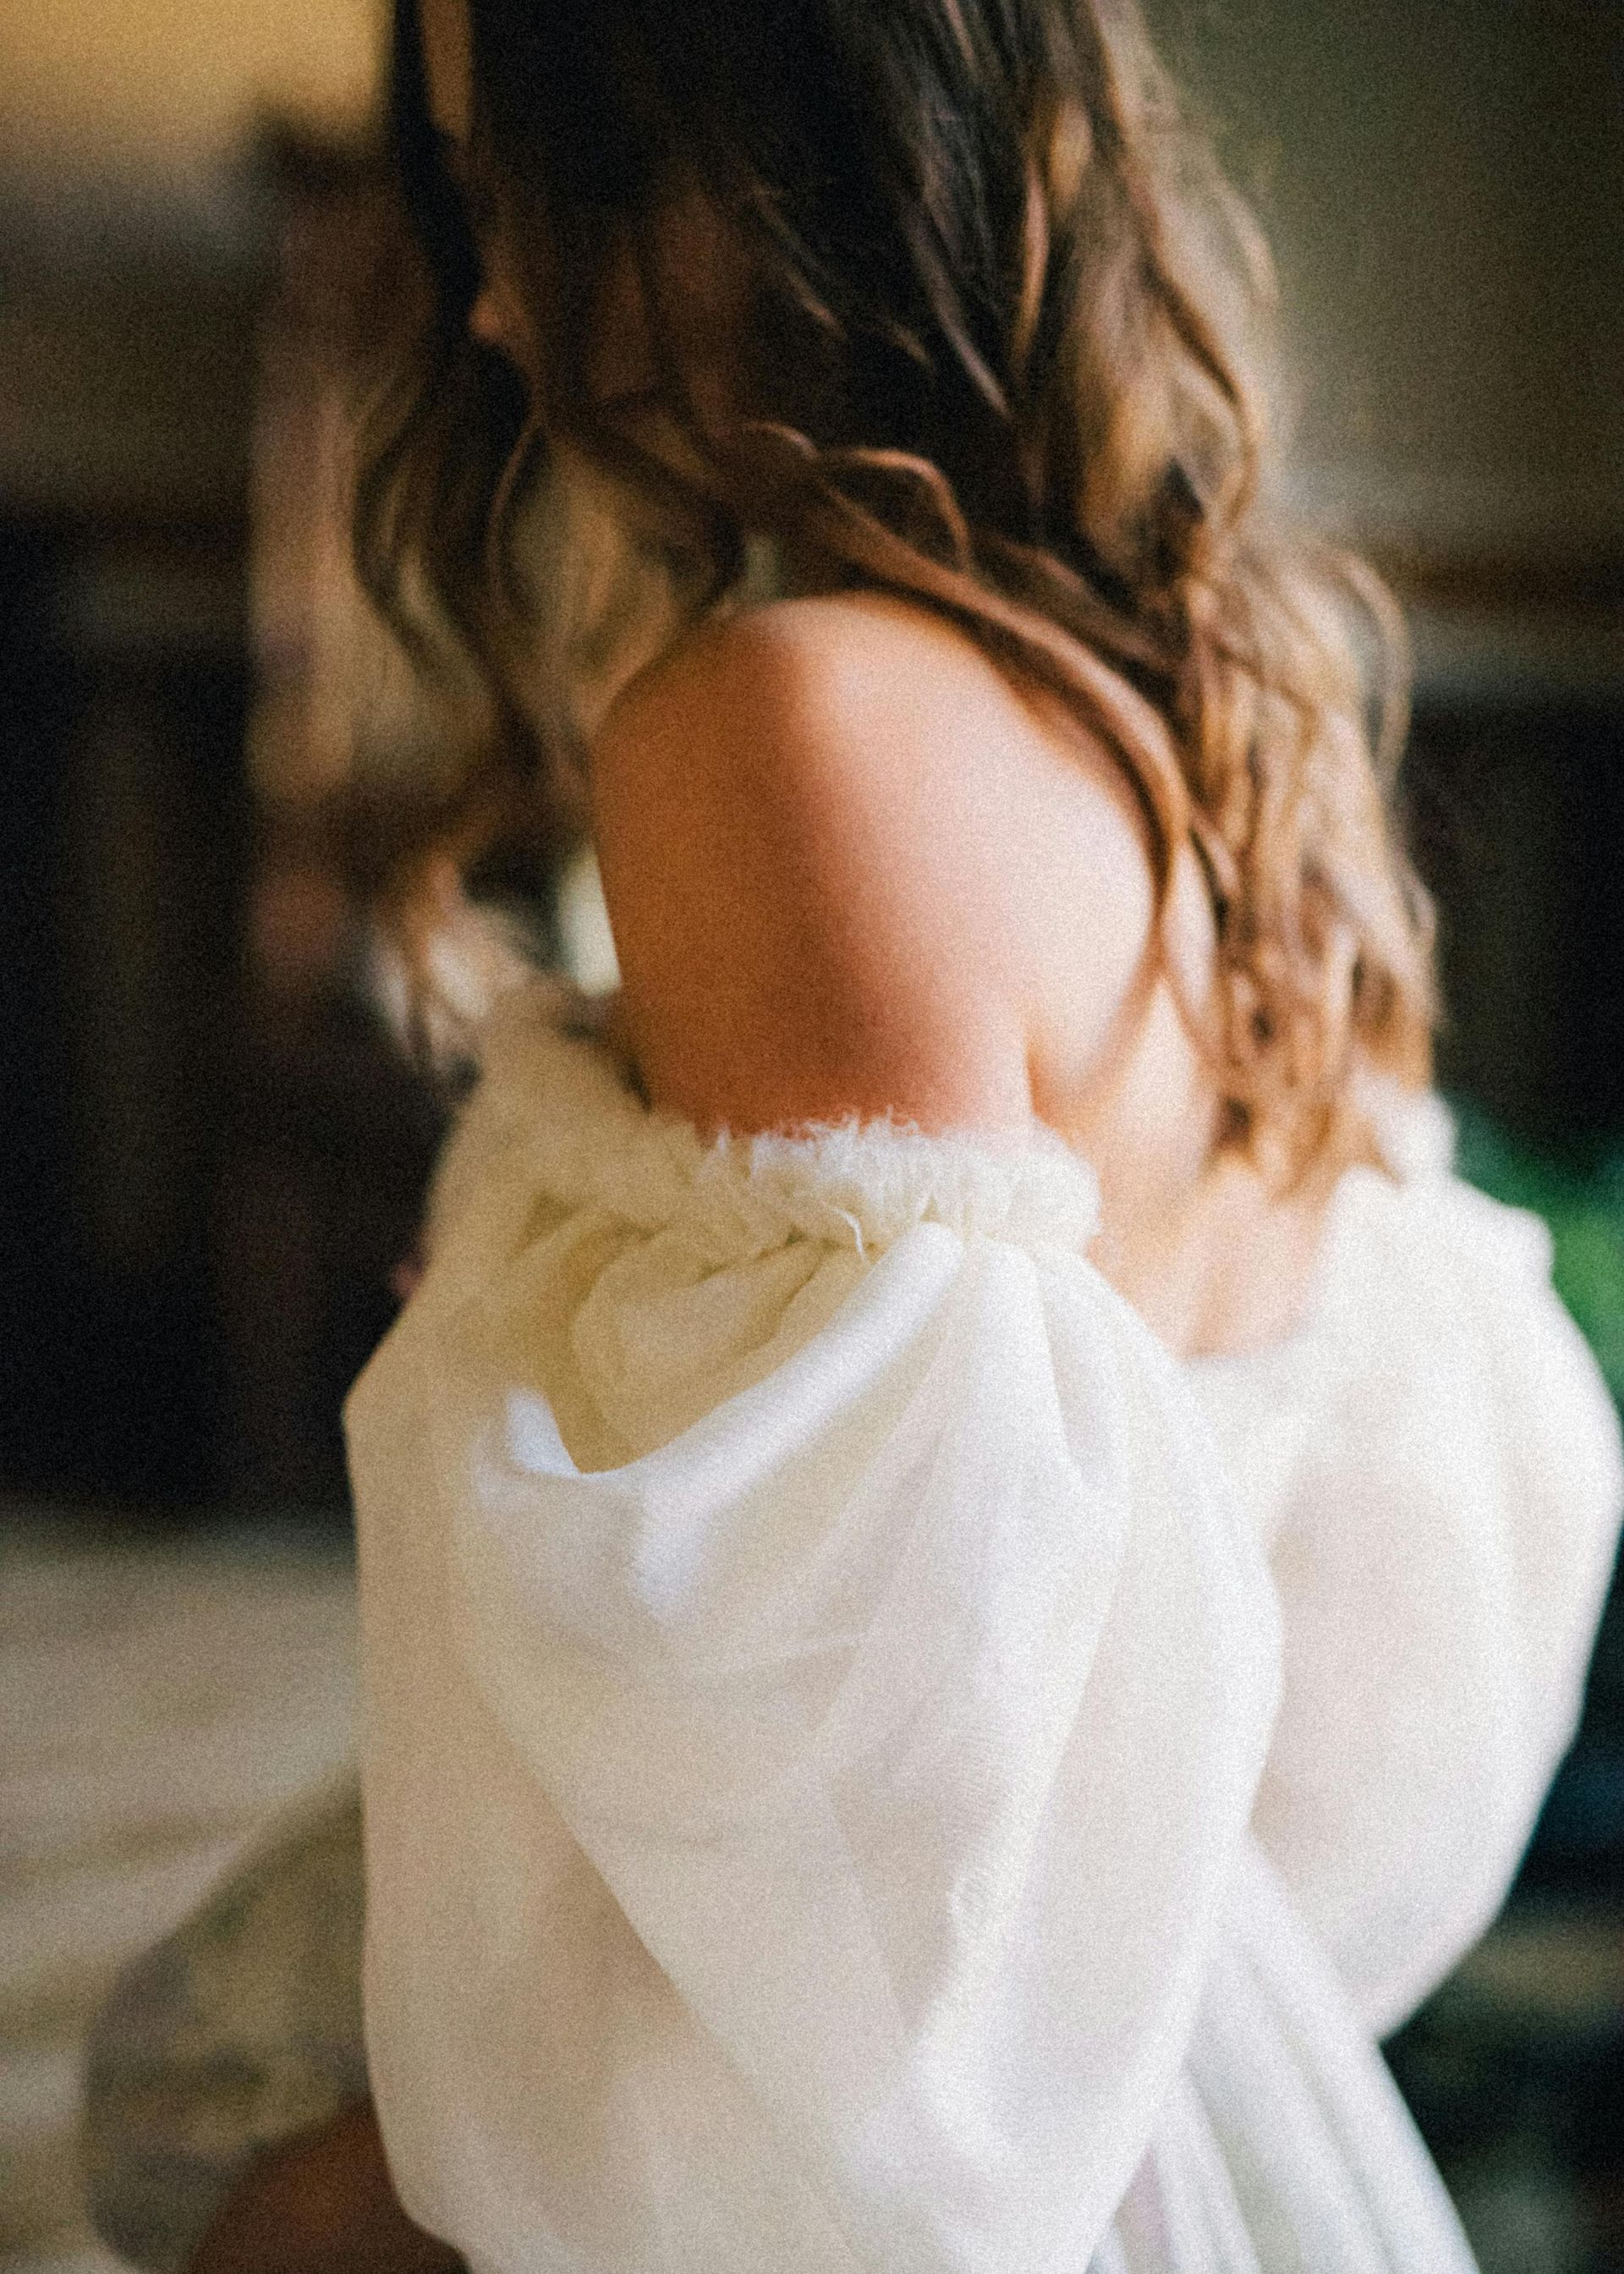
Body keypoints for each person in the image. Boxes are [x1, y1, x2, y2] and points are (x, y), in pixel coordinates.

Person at [85, 0, 1624, 2268]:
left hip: (874, 2055)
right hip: (1095, 1977)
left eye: (523, 192)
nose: (492, 297)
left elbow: (834, 1725)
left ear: (770, 177)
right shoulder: (1191, 724)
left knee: (198, 2150)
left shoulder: (783, 725)